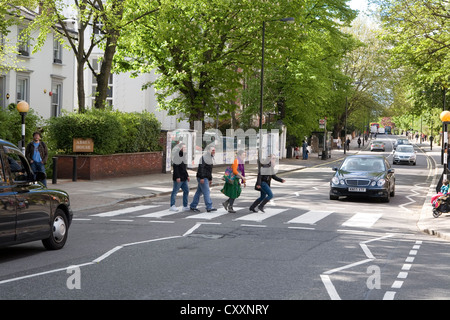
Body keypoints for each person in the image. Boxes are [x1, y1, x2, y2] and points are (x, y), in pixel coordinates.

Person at [190, 145, 217, 212]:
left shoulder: (210, 157)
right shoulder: (204, 157)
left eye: (214, 150)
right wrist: (202, 178)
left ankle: (193, 205)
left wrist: (210, 179)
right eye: (212, 150)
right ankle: (209, 206)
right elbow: (201, 168)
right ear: (208, 151)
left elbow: (209, 170)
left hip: (205, 177)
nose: (214, 151)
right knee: (206, 192)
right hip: (202, 177)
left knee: (199, 192)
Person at [169, 143, 190, 212]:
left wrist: (187, 176)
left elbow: (184, 168)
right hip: (179, 178)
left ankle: (185, 206)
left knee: (186, 190)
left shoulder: (184, 156)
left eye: (185, 147)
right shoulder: (177, 156)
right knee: (175, 191)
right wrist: (177, 177)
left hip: (184, 177)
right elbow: (176, 168)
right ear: (180, 148)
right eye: (184, 147)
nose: (185, 149)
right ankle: (172, 205)